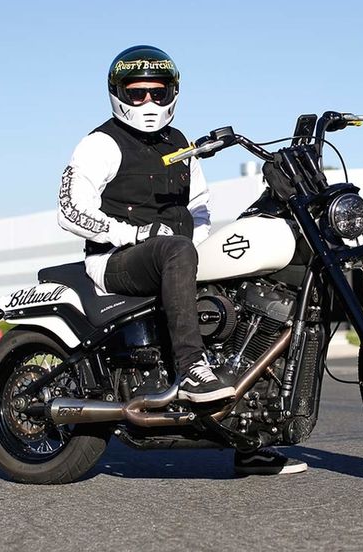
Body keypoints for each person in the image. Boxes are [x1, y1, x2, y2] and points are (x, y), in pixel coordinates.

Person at [57, 45, 306, 475]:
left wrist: (201, 247)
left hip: (172, 255)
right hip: (115, 260)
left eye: (157, 92)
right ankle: (192, 369)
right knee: (175, 248)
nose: (148, 103)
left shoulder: (181, 143)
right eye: (137, 94)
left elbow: (201, 207)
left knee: (250, 286)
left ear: (173, 91)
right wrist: (134, 233)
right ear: (119, 94)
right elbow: (70, 210)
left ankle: (250, 441)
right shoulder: (100, 143)